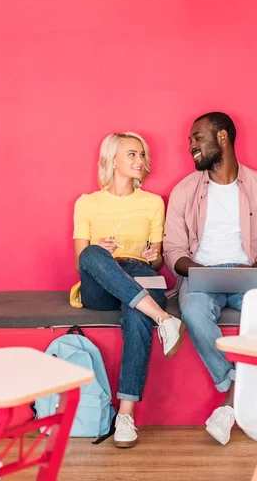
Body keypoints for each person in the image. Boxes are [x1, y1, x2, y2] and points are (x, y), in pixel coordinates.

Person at [164, 112, 257, 445]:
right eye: (190, 139)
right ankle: (236, 387)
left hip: (251, 273)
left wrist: (255, 271)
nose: (190, 145)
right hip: (200, 273)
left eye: (197, 137)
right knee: (192, 312)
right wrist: (197, 271)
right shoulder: (184, 191)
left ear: (222, 138)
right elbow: (173, 249)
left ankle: (229, 405)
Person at [73, 132, 185, 448]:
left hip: (139, 272)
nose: (140, 161)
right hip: (99, 284)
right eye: (132, 155)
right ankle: (165, 319)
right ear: (112, 160)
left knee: (137, 315)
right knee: (92, 253)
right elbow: (80, 259)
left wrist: (155, 256)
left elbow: (159, 257)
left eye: (142, 155)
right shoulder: (87, 203)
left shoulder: (152, 203)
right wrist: (99, 248)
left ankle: (126, 415)